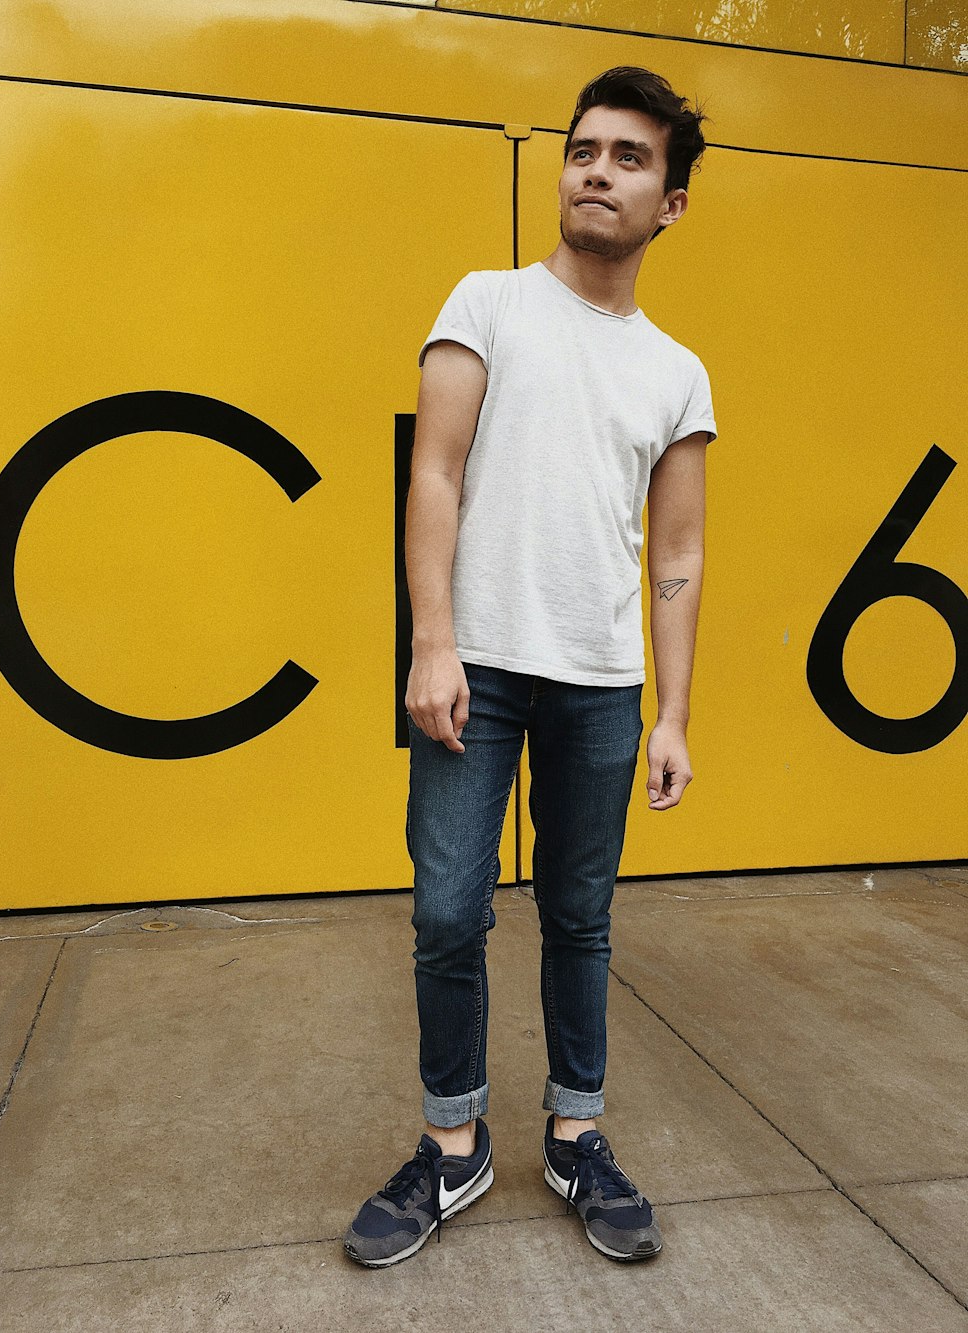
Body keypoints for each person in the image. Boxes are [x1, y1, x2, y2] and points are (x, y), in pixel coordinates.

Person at [344, 65, 716, 1268]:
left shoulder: (676, 371)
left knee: (580, 915)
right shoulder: (487, 302)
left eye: (629, 157)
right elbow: (433, 475)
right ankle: (451, 1146)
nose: (596, 170)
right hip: (479, 666)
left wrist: (673, 713)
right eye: (583, 150)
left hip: (601, 680)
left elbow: (678, 548)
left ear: (669, 203)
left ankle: (575, 1131)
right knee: (448, 910)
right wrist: (432, 641)